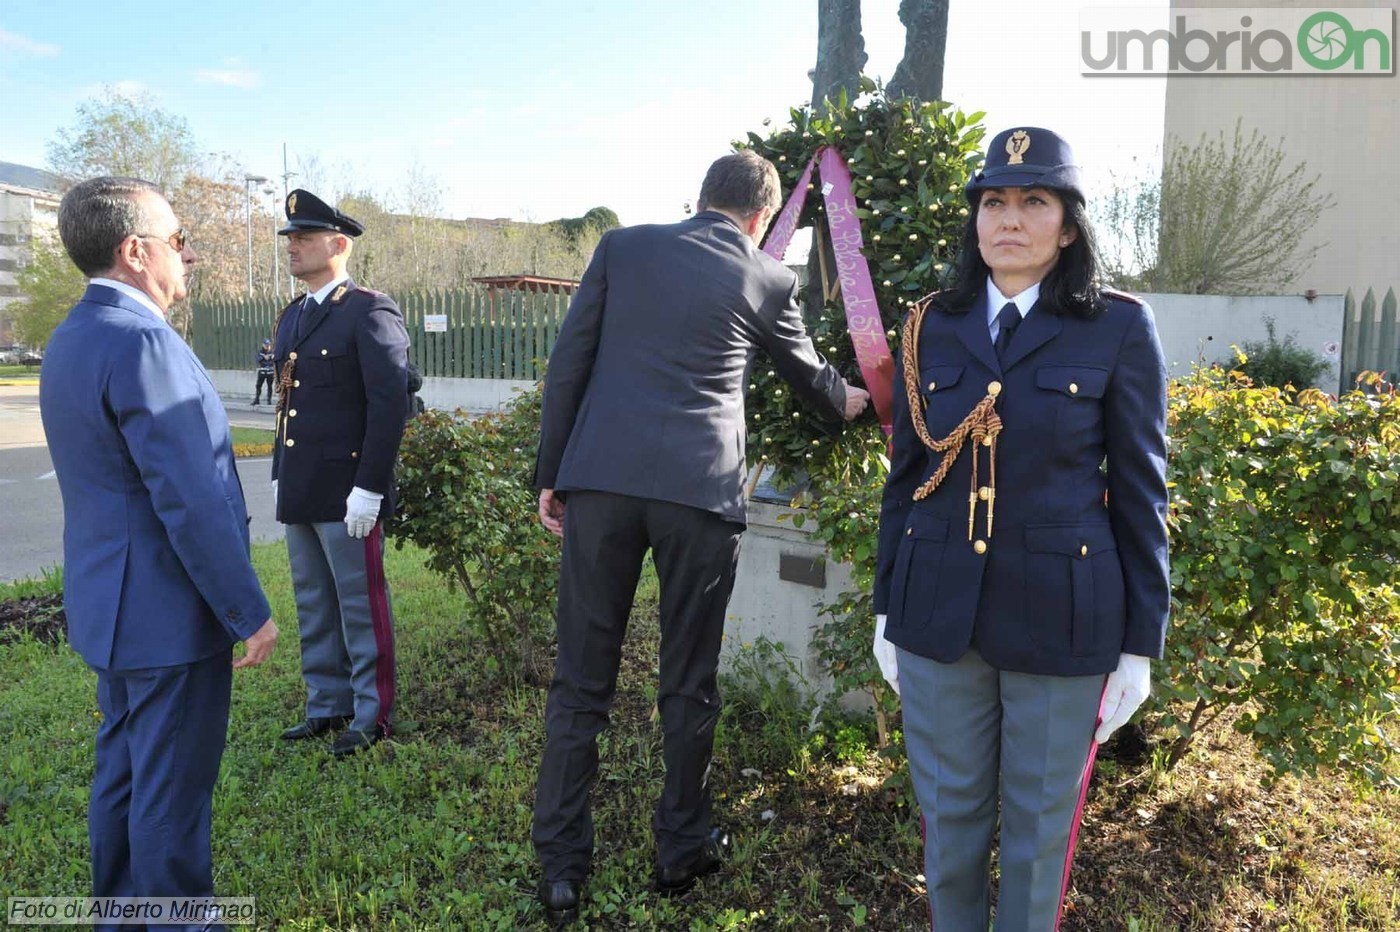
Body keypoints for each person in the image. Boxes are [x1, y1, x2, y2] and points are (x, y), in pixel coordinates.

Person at [530, 149, 871, 926]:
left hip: (603, 484)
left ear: (699, 200)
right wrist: (856, 399)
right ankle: (680, 849)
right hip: (700, 496)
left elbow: (568, 363)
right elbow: (810, 377)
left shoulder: (622, 247)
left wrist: (553, 472)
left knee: (581, 680)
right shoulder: (767, 276)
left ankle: (560, 867)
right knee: (687, 678)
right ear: (760, 219)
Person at [872, 127, 1169, 930]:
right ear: (974, 222)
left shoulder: (1117, 327)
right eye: (993, 202)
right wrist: (884, 606)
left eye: (1033, 201)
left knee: (1040, 837)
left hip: (1061, 617)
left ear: (1068, 225)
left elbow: (1142, 492)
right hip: (937, 611)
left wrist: (1141, 642)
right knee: (951, 824)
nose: (1009, 218)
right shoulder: (933, 324)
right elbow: (908, 476)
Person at [39, 176, 278, 926]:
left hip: (110, 610)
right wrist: (246, 612)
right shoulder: (145, 343)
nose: (191, 256)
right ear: (135, 251)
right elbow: (195, 499)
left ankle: (119, 916)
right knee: (170, 794)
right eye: (180, 242)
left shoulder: (73, 336)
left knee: (124, 776)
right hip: (168, 616)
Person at [271, 189, 410, 759]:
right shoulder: (294, 315)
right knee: (313, 600)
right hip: (302, 483)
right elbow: (288, 401)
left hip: (349, 488)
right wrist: (284, 470)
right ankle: (326, 704)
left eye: (303, 238)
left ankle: (371, 712)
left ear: (339, 244)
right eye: (291, 239)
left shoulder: (368, 310)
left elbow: (389, 404)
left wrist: (370, 488)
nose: (293, 247)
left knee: (358, 601)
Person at [253, 337, 276, 404]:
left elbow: (274, 360)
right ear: (263, 345)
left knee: (270, 386)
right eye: (266, 345)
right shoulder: (260, 352)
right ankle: (257, 399)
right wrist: (263, 357)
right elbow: (257, 360)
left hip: (270, 372)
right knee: (258, 386)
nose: (267, 346)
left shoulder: (272, 353)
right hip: (262, 372)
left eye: (268, 345)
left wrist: (271, 358)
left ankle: (269, 400)